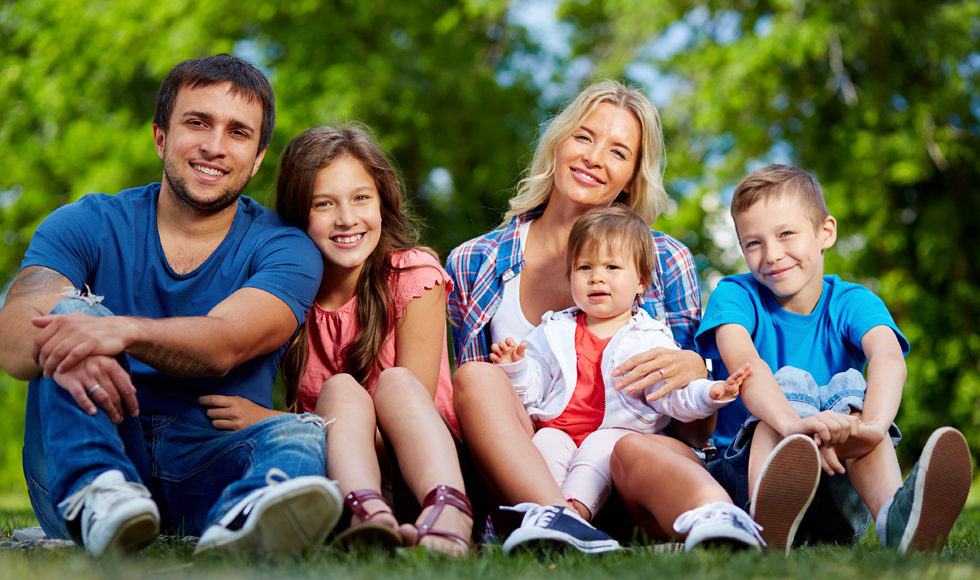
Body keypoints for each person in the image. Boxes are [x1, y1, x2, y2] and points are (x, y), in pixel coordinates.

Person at [0, 54, 343, 558]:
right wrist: (79, 329)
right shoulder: (84, 223)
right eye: (197, 122)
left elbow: (225, 343)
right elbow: (12, 343)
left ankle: (247, 515)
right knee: (74, 317)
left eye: (238, 133)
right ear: (161, 136)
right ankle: (101, 491)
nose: (214, 146)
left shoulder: (287, 249)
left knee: (299, 433)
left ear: (257, 157)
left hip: (208, 459)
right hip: (88, 443)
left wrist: (122, 332)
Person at [447, 80, 713, 554]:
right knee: (476, 377)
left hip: (628, 470)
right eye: (584, 137)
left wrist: (696, 368)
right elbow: (465, 414)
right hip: (530, 471)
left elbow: (695, 432)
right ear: (558, 143)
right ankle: (559, 522)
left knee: (636, 449)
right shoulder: (475, 260)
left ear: (632, 176)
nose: (594, 157)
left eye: (618, 151)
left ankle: (722, 524)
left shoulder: (666, 259)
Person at [200, 124, 473, 555]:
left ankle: (451, 511)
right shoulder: (287, 294)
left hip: (421, 469)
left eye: (361, 198)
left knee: (396, 383)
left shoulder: (413, 276)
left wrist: (267, 420)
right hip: (343, 477)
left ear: (383, 202)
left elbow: (410, 422)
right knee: (342, 389)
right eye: (323, 204)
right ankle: (368, 516)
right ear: (296, 216)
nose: (347, 218)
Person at [694, 164, 972, 554]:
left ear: (826, 232)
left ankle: (897, 519)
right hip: (747, 477)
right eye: (753, 243)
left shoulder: (852, 301)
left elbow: (888, 357)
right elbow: (747, 366)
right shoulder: (734, 296)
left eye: (786, 233)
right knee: (789, 383)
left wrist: (872, 428)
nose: (771, 255)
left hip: (838, 482)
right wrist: (796, 425)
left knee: (850, 393)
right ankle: (765, 522)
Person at [489, 204, 764, 550]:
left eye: (611, 267)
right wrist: (516, 368)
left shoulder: (649, 336)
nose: (596, 277)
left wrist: (709, 393)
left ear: (641, 282)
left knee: (598, 452)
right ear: (569, 276)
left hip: (617, 435)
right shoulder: (552, 329)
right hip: (557, 429)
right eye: (584, 267)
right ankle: (551, 517)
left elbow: (671, 395)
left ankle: (573, 516)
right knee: (542, 448)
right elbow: (534, 389)